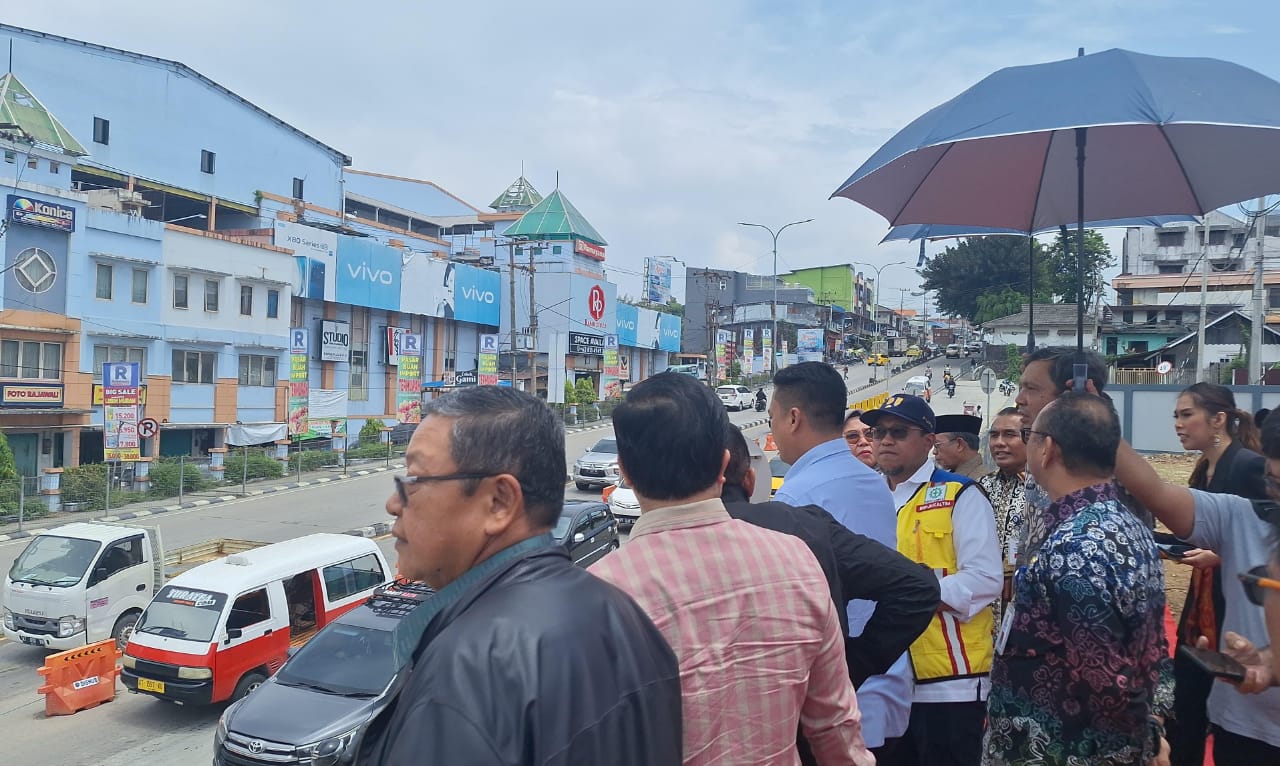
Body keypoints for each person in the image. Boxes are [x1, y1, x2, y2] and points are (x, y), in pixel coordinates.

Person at [365, 386, 681, 765]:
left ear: (499, 502)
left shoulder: (469, 667)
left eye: (415, 480)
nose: (394, 503)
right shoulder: (625, 615)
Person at [592, 372, 874, 765]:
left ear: (624, 469)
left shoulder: (599, 594)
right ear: (725, 463)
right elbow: (836, 729)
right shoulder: (795, 560)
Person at [984, 393, 1172, 765]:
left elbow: (1104, 677)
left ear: (1047, 448)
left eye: (1027, 433)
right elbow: (1151, 644)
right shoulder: (1126, 524)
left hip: (1064, 748)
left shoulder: (1075, 545)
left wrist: (1148, 738)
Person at [1114, 406, 1280, 762]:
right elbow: (1152, 488)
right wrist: (1264, 660)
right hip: (1243, 730)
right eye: (1275, 485)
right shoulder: (1246, 517)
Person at [720, 424, 940, 689]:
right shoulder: (803, 526)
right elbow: (918, 586)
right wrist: (848, 667)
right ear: (750, 480)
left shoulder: (658, 547)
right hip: (803, 715)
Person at [768, 362, 901, 754]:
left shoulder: (797, 495)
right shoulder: (873, 482)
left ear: (794, 419)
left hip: (829, 691)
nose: (771, 430)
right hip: (882, 679)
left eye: (772, 418)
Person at [861, 394, 1001, 766]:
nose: (885, 440)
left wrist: (916, 595)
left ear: (927, 441)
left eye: (898, 432)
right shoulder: (867, 497)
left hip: (947, 682)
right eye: (878, 432)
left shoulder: (960, 494)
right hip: (882, 677)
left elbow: (986, 580)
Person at [1164, 382, 1266, 766]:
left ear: (1219, 419)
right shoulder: (1205, 468)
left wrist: (1221, 555)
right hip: (1200, 613)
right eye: (1176, 415)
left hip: (1235, 617)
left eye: (1186, 414)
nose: (1178, 424)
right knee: (1185, 710)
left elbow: (1264, 543)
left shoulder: (1247, 466)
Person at [978, 407, 1027, 631]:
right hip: (984, 604)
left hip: (1025, 603)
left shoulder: (1043, 490)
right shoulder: (981, 487)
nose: (999, 443)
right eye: (994, 435)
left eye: (1009, 434)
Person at [933, 414, 988, 480]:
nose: (934, 452)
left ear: (959, 444)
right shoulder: (951, 477)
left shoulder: (981, 481)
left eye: (937, 445)